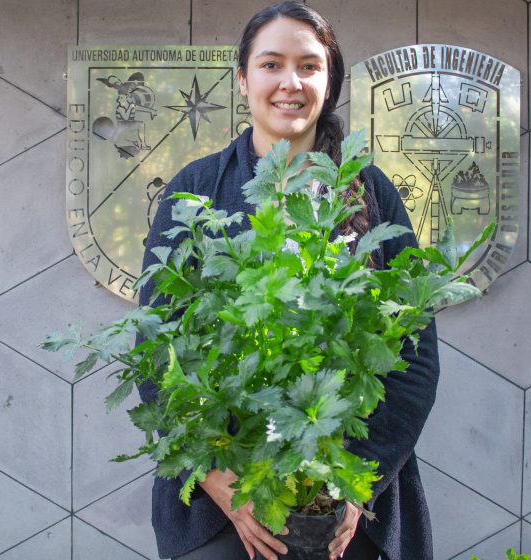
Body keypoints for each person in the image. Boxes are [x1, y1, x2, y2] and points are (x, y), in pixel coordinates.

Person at [138, 2, 440, 559]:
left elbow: (414, 359)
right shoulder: (197, 189)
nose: (289, 83)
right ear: (243, 78)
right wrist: (221, 481)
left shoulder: (369, 191)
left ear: (330, 80)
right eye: (271, 64)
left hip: (347, 502)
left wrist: (356, 488)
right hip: (221, 500)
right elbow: (158, 346)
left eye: (308, 66)